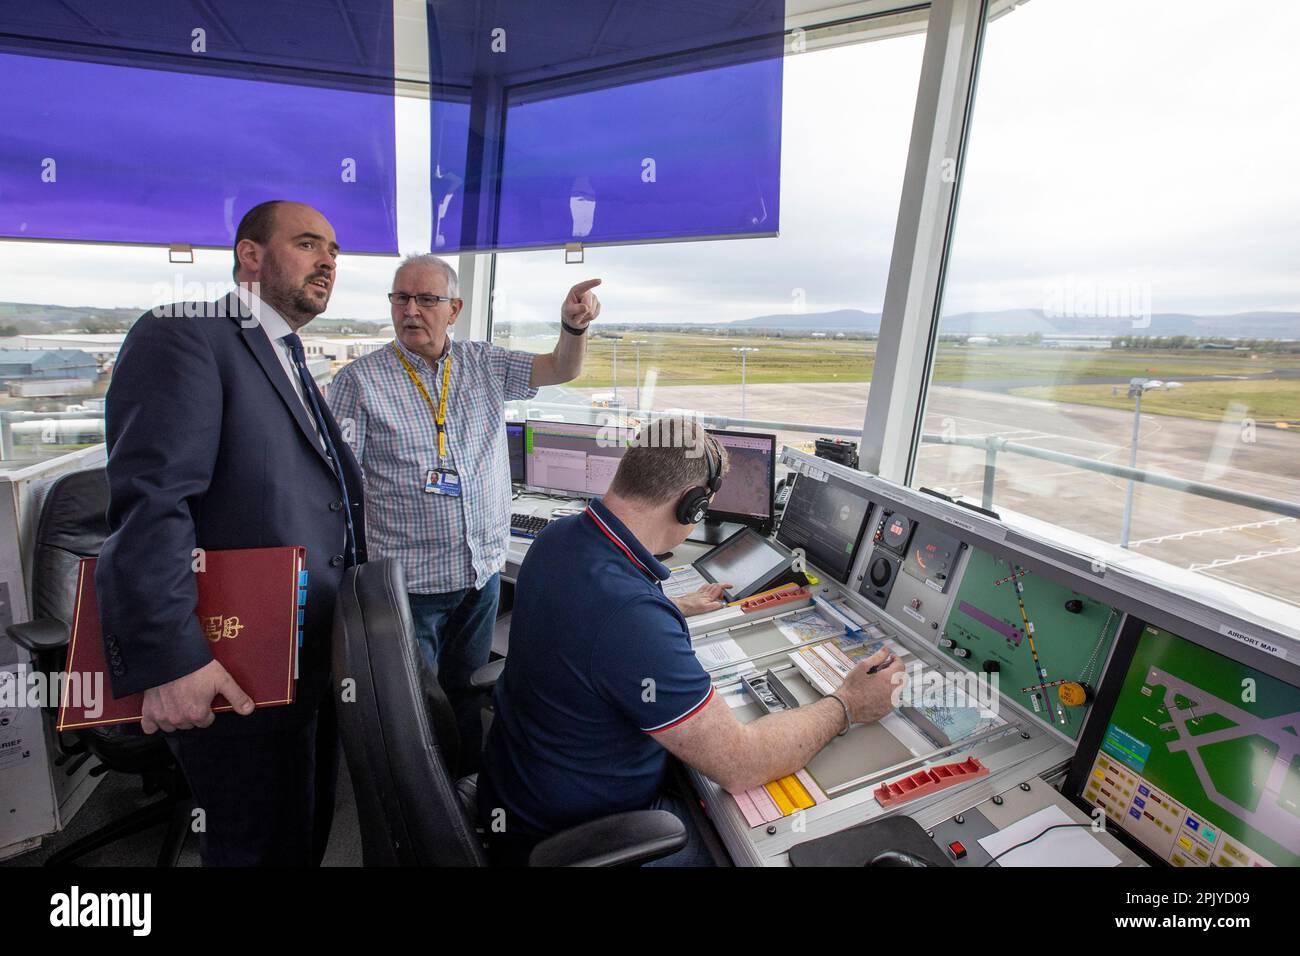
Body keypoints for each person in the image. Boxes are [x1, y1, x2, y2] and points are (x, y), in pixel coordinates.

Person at [478, 416, 906, 865]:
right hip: (576, 834)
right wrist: (848, 705)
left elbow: (589, 622)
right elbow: (741, 763)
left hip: (517, 788)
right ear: (693, 506)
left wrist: (671, 608)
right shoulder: (631, 619)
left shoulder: (559, 538)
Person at [95, 200, 366, 866]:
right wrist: (175, 659)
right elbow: (154, 503)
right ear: (250, 256)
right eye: (307, 244)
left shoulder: (287, 354)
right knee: (256, 845)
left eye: (333, 251)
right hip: (234, 664)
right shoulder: (185, 333)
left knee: (298, 830)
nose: (328, 261)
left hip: (303, 658)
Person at [327, 254, 608, 765]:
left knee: (466, 691)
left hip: (480, 573)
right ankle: (418, 811)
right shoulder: (358, 382)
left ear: (453, 308)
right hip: (409, 582)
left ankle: (463, 789)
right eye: (401, 298)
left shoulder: (484, 364)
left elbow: (562, 367)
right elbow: (338, 487)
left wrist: (572, 325)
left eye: (426, 299)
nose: (411, 310)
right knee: (411, 709)